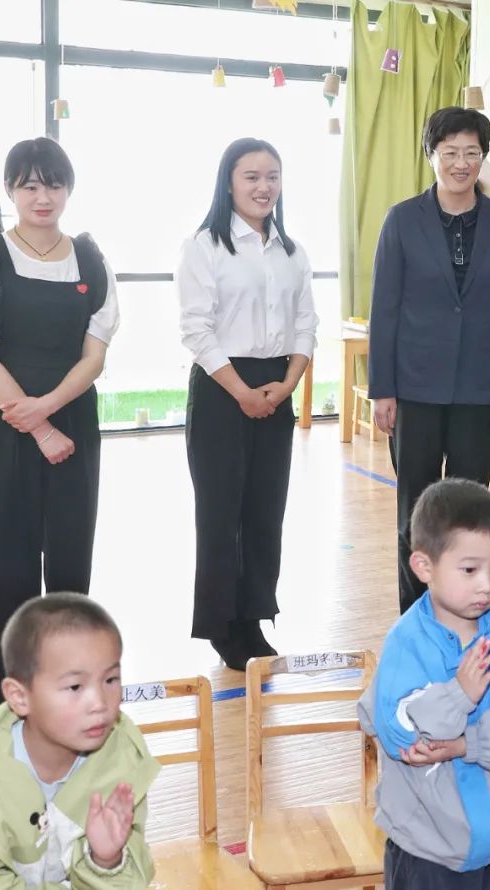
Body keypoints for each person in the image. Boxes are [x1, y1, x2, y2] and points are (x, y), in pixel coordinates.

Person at [357, 478, 490, 889]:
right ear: (424, 567)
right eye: (470, 570)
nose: (487, 585)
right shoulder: (406, 643)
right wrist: (458, 695)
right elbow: (403, 736)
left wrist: (468, 744)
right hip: (427, 851)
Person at [368, 107, 490, 614]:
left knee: (471, 509)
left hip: (478, 388)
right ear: (431, 155)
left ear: (483, 157)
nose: (461, 163)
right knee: (416, 509)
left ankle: (464, 610)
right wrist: (382, 389)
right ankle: (415, 616)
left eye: (471, 153)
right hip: (414, 387)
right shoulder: (402, 219)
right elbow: (384, 310)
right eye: (450, 152)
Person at [0, 138, 119, 708]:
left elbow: (94, 356)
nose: (43, 197)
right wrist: (38, 424)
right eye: (30, 186)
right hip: (5, 422)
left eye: (54, 185)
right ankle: (5, 690)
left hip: (73, 420)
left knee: (70, 550)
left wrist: (49, 408)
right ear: (11, 190)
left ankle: (69, 679)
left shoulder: (90, 258)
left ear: (69, 189)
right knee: (6, 554)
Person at [177, 137, 318, 670]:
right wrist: (242, 392)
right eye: (251, 177)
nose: (264, 187)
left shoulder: (292, 252)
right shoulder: (204, 247)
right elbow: (196, 329)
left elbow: (306, 325)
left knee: (265, 511)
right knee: (220, 515)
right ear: (229, 183)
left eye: (272, 177)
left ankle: (255, 617)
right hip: (221, 388)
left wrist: (287, 386)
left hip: (277, 386)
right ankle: (223, 625)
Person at [0, 593, 160, 886]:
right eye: (75, 686)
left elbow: (130, 880)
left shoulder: (122, 757)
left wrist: (106, 860)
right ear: (20, 697)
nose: (99, 703)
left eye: (110, 680)